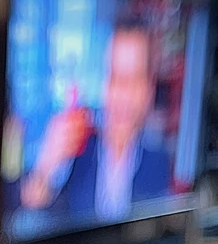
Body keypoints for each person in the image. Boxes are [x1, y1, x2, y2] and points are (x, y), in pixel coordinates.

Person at [20, 23, 171, 225]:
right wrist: (46, 166)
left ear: (150, 88)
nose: (123, 93)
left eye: (135, 78)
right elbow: (31, 214)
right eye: (114, 77)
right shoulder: (75, 152)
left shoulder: (160, 164)